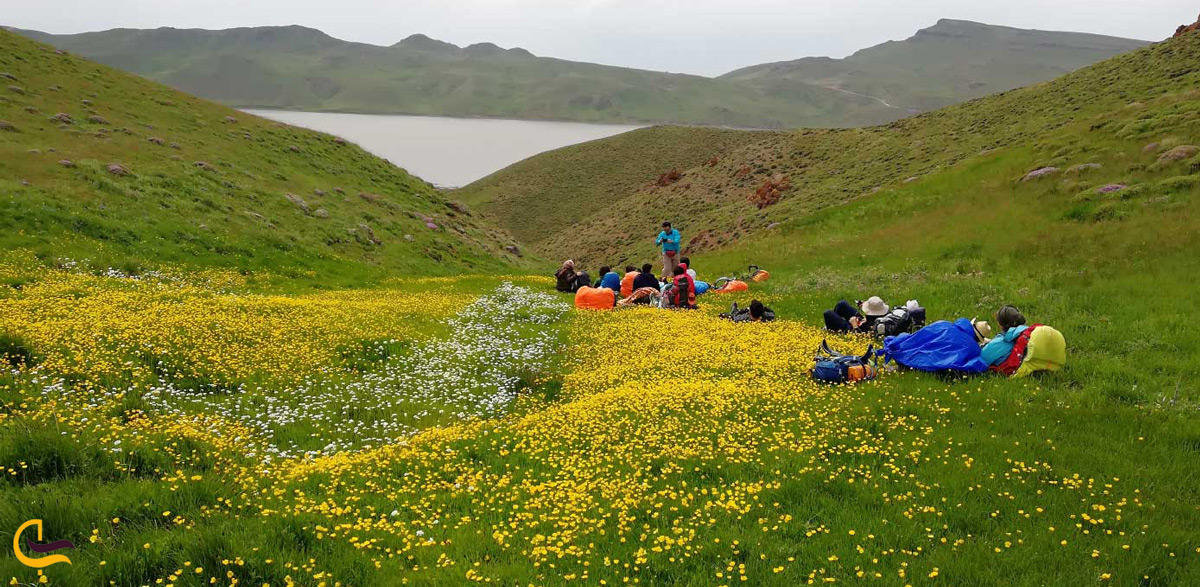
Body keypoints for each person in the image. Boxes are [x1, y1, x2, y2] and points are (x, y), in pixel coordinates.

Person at [824, 296, 888, 333]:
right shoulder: (884, 316)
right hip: (864, 322)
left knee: (828, 313)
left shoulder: (880, 326)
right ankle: (834, 324)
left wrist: (854, 325)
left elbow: (863, 335)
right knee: (842, 304)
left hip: (856, 330)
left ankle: (832, 327)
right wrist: (864, 319)